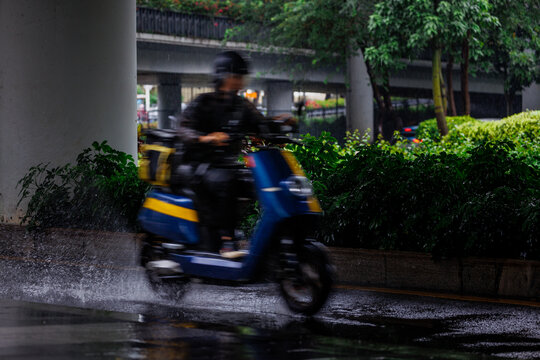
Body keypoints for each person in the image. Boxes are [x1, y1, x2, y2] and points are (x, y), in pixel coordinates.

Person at [178, 51, 288, 255]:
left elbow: (261, 126)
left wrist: (281, 124)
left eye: (241, 77)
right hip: (197, 165)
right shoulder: (203, 102)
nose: (240, 82)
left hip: (226, 165)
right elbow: (183, 130)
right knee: (227, 180)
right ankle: (226, 240)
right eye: (235, 76)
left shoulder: (242, 106)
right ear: (223, 76)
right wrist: (206, 138)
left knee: (256, 183)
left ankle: (271, 239)